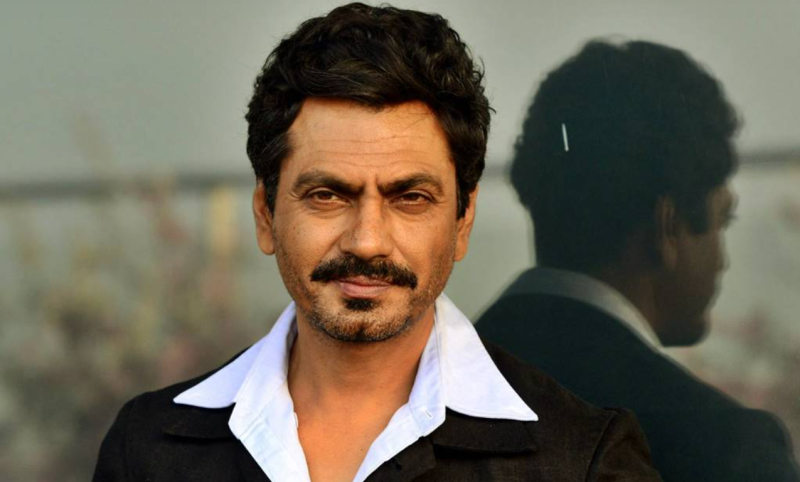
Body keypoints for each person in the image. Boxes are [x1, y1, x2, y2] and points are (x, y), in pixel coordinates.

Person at [92, 6, 662, 482]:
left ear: (462, 222)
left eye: (409, 197)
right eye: (327, 195)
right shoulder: (148, 451)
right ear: (266, 214)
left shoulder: (580, 462)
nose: (367, 241)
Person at [477, 39, 800, 481]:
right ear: (667, 226)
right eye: (722, 220)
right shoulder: (723, 450)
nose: (723, 261)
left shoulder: (414, 395)